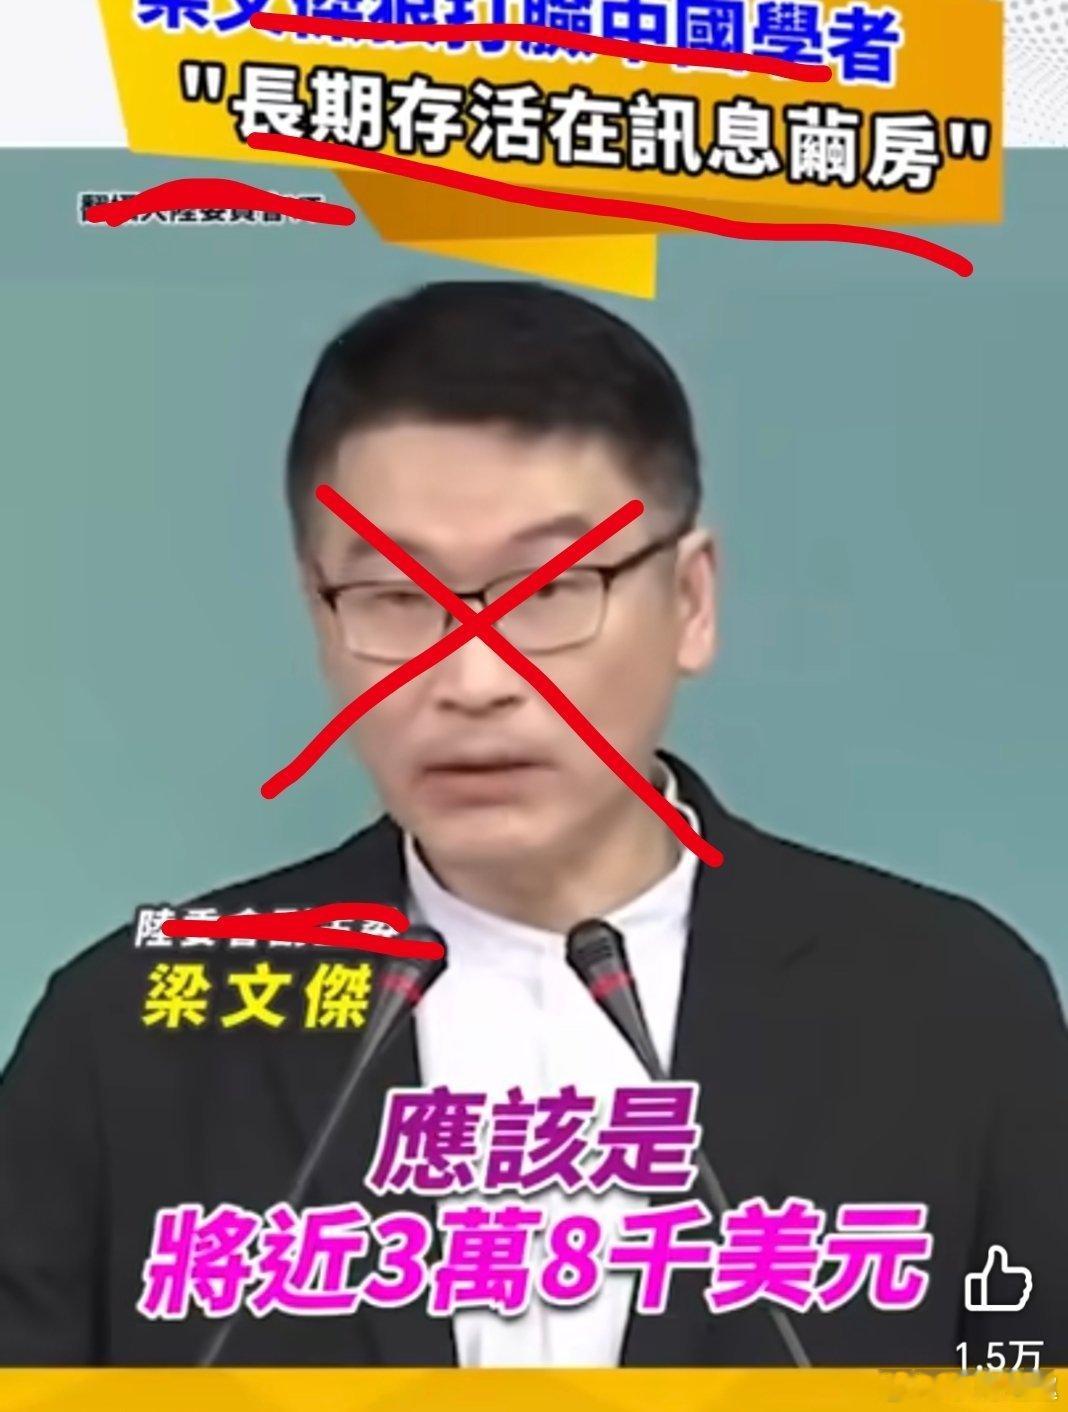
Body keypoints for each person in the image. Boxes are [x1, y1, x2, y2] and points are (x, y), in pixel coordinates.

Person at [1, 280, 1066, 1368]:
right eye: (394, 596)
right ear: (319, 613)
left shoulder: (956, 1010)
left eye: (551, 589)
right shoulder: (125, 1036)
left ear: (691, 601)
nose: (473, 679)